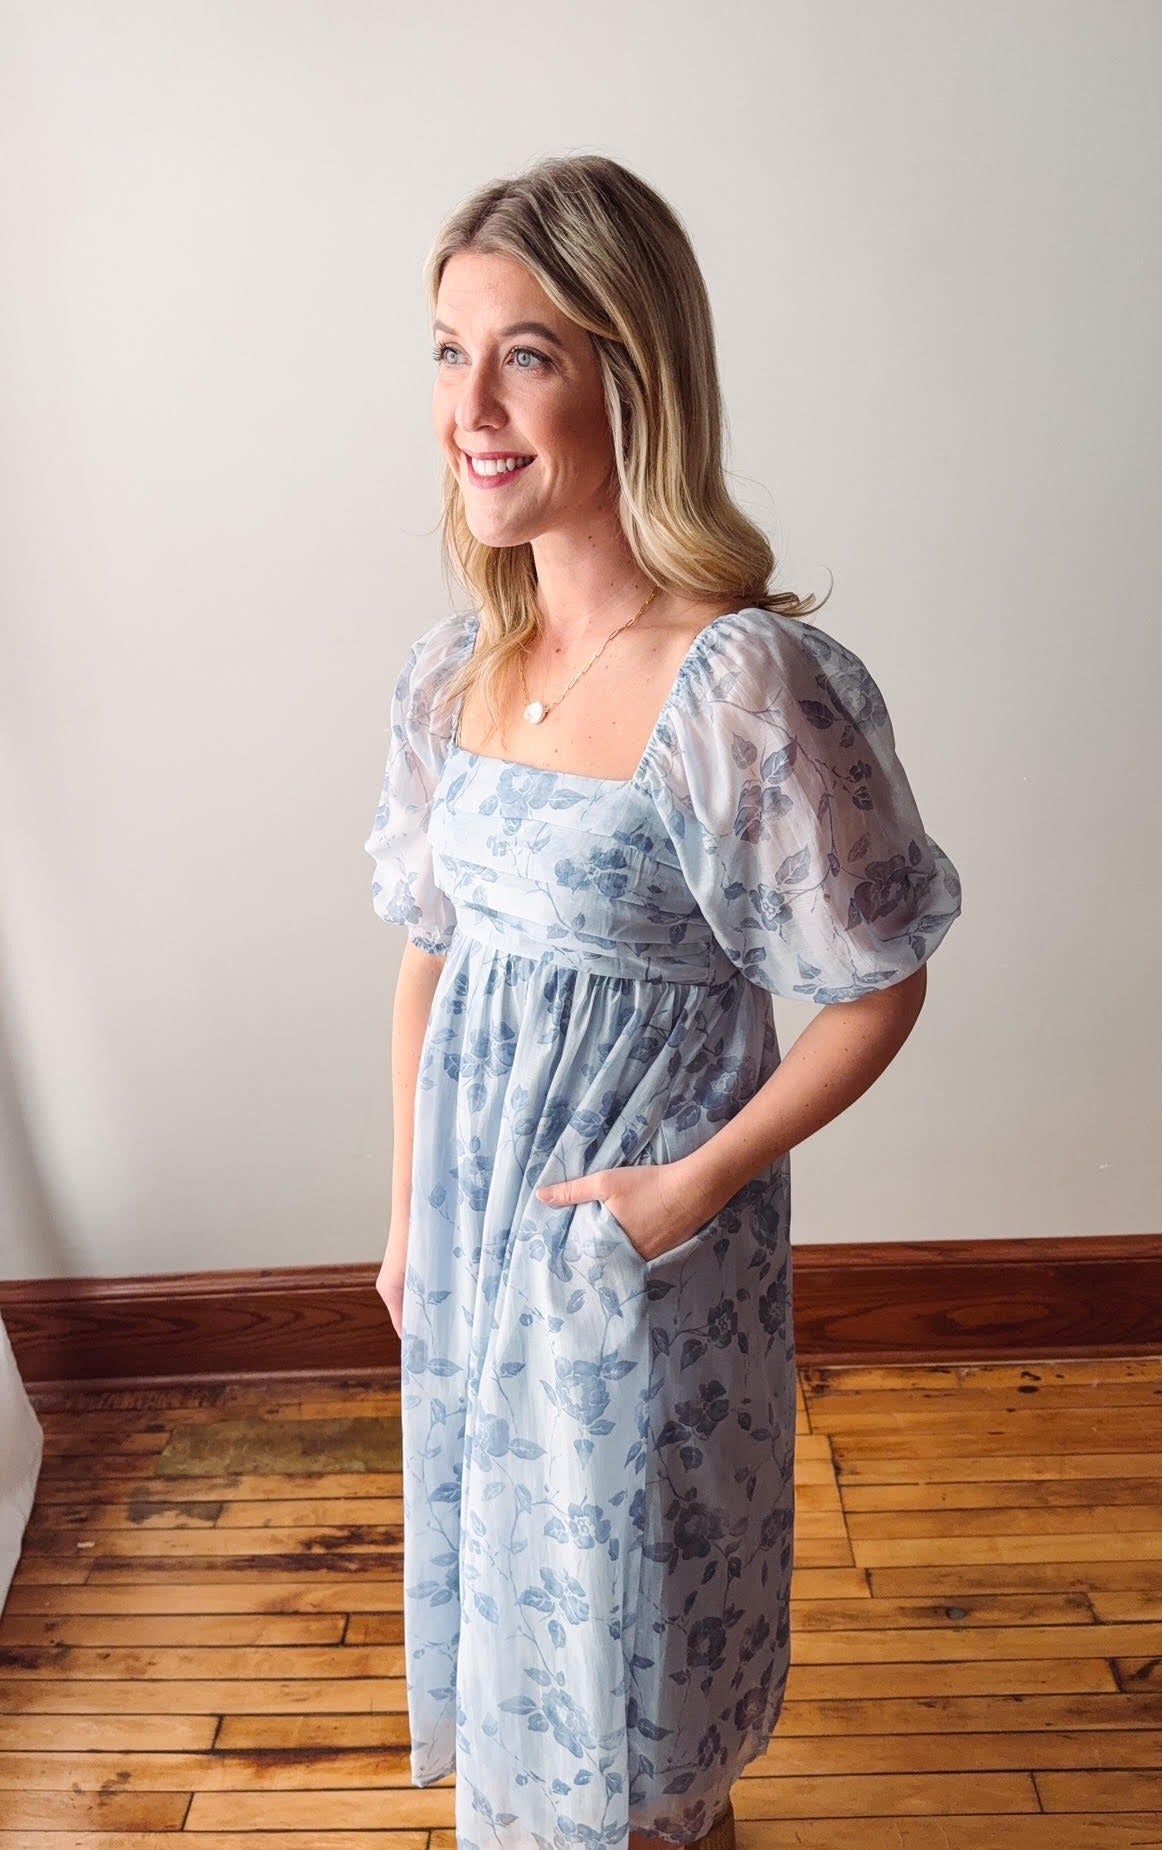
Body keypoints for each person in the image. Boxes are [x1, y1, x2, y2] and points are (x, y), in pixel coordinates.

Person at [364, 154, 962, 1850]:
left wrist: (682, 1196)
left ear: (634, 374)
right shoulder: (457, 671)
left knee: (638, 1665)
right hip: (476, 1243)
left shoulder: (741, 685)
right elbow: (431, 951)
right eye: (447, 352)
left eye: (525, 356)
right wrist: (407, 1213)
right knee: (516, 1618)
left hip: (639, 1258)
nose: (471, 410)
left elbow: (877, 982)